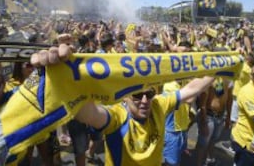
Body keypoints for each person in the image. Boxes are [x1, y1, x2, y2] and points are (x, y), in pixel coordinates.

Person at [30, 42, 217, 166]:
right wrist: (57, 78)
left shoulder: (159, 104)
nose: (145, 101)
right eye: (137, 95)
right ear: (125, 96)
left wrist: (220, 64)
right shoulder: (117, 117)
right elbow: (82, 111)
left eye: (149, 94)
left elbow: (192, 89)